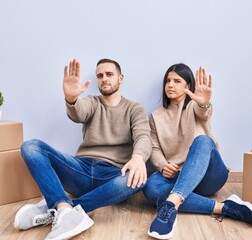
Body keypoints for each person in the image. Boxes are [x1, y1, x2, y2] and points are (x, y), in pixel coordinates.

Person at [14, 58, 152, 240]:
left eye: (109, 74)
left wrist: (138, 157)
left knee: (139, 180)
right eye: (100, 76)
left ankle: (59, 207)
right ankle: (63, 209)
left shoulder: (135, 108)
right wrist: (71, 99)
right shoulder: (92, 102)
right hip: (80, 169)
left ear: (121, 78)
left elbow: (143, 136)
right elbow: (79, 112)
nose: (104, 79)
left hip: (112, 175)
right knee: (30, 147)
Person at [143, 64, 252, 239]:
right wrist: (162, 165)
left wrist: (204, 104)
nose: (170, 85)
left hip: (209, 176)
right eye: (168, 81)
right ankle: (224, 207)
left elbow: (204, 113)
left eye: (177, 81)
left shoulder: (194, 106)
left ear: (188, 86)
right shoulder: (156, 116)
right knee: (150, 187)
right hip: (178, 177)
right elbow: (154, 147)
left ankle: (170, 205)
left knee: (203, 140)